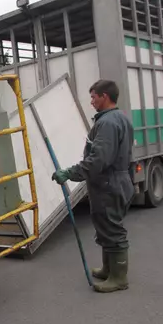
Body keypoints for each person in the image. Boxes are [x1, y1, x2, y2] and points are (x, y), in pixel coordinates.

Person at [51, 79, 135, 293]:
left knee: (112, 229)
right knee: (106, 227)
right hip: (115, 180)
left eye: (93, 97)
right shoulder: (120, 118)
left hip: (109, 183)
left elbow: (98, 160)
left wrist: (70, 173)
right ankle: (109, 269)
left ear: (104, 96)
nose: (91, 101)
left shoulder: (107, 123)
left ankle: (119, 278)